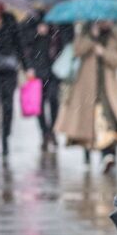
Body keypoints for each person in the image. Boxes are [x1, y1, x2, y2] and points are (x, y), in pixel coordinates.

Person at [54, 21, 117, 173]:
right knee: (86, 121)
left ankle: (107, 157)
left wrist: (104, 52)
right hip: (86, 87)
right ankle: (87, 156)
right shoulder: (85, 32)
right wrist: (91, 39)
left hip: (107, 88)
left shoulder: (116, 36)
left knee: (108, 122)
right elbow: (76, 50)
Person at [0, 5, 32, 158]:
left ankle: (5, 139)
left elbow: (19, 45)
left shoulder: (10, 20)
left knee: (7, 106)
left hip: (8, 70)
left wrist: (27, 67)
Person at [22, 9, 67, 151]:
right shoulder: (31, 19)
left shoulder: (58, 18)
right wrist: (36, 32)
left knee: (54, 100)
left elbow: (66, 40)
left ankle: (52, 131)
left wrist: (53, 31)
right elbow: (24, 43)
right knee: (39, 104)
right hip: (38, 69)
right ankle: (44, 133)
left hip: (55, 69)